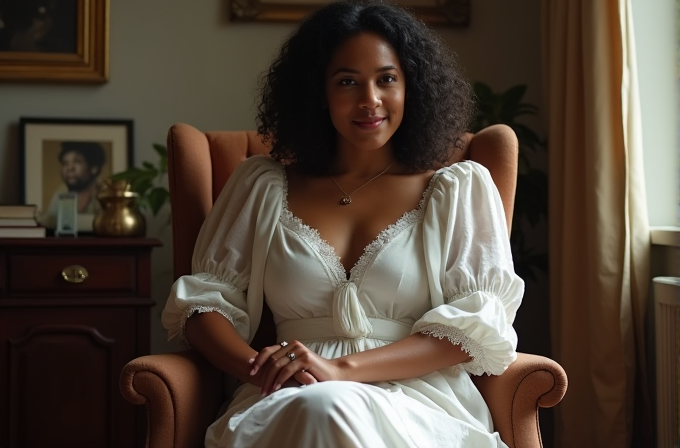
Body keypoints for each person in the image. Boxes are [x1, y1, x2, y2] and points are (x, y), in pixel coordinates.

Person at [161, 1, 524, 447]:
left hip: (417, 399)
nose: (369, 99)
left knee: (328, 405)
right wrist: (266, 370)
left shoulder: (457, 189)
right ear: (318, 92)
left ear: (413, 87)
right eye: (347, 81)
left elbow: (476, 326)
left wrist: (341, 371)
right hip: (285, 395)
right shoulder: (261, 186)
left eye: (386, 79)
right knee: (318, 406)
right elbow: (203, 305)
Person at [40, 141, 106, 228]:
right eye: (65, 163)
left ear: (94, 168)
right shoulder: (61, 192)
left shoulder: (105, 193)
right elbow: (49, 224)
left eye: (77, 161)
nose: (69, 168)